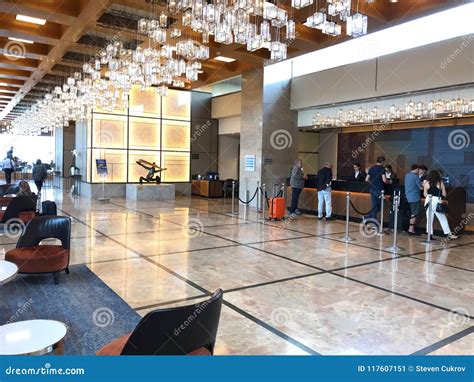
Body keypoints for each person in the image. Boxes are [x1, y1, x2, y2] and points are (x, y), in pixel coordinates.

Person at [423, 170, 458, 240]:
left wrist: (429, 195)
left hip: (428, 201)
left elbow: (425, 194)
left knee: (429, 219)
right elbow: (444, 194)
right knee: (442, 218)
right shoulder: (440, 183)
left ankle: (430, 236)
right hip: (437, 201)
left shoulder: (427, 183)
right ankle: (449, 234)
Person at [365, 156, 389, 221]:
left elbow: (366, 179)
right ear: (382, 161)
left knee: (374, 206)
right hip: (379, 190)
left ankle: (368, 218)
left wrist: (372, 183)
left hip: (372, 189)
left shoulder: (372, 168)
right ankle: (372, 222)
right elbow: (384, 180)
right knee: (383, 205)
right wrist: (389, 181)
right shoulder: (382, 168)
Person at [404, 164, 423, 236]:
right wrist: (424, 184)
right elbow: (421, 187)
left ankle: (411, 229)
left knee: (413, 212)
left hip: (409, 197)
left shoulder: (407, 175)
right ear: (416, 169)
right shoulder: (415, 176)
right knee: (414, 213)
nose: (418, 171)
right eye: (418, 169)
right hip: (415, 197)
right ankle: (411, 229)